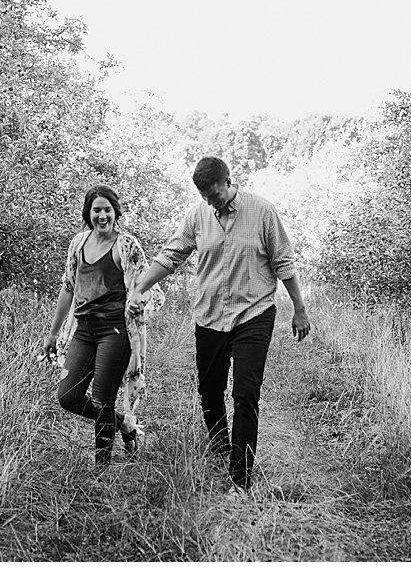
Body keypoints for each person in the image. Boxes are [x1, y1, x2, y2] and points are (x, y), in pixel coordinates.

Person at [127, 156, 310, 491]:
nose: (211, 203)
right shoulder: (198, 216)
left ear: (228, 181)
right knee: (210, 391)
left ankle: (240, 476)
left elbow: (283, 260)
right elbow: (172, 255)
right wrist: (141, 286)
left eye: (216, 196)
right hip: (210, 315)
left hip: (254, 313)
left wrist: (299, 307)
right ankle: (220, 445)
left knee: (245, 393)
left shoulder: (262, 211)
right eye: (205, 198)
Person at [43, 184, 151, 466]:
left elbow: (145, 285)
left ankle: (101, 467)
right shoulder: (78, 244)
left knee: (103, 399)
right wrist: (53, 334)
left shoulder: (127, 245)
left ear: (115, 212)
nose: (102, 215)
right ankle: (125, 424)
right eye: (96, 210)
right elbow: (68, 288)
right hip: (84, 330)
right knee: (68, 396)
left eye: (107, 210)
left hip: (115, 332)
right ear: (88, 213)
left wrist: (139, 303)